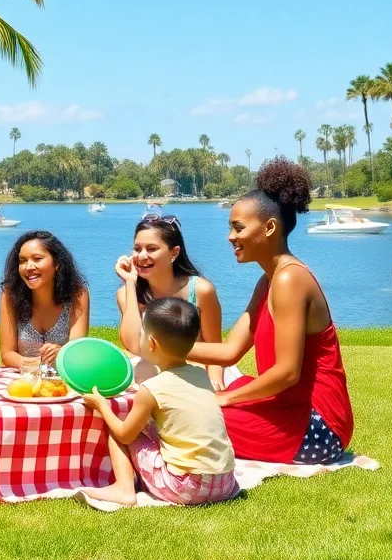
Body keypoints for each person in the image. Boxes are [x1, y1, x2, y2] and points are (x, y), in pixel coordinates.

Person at [185, 159, 354, 464]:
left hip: (318, 426)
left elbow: (287, 373)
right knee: (202, 400)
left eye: (238, 228)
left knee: (185, 415)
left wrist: (225, 398)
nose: (231, 237)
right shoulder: (268, 281)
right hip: (287, 407)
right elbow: (230, 351)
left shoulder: (290, 279)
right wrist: (164, 347)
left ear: (270, 227)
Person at [80, 298, 238, 507]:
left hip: (186, 488)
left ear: (151, 343)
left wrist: (102, 405)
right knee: (151, 426)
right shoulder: (201, 375)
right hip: (224, 483)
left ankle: (124, 489)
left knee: (119, 427)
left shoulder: (152, 388)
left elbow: (125, 435)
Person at [114, 214, 225, 389]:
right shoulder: (127, 294)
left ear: (174, 253)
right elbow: (134, 346)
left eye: (152, 249)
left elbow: (215, 348)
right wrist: (129, 282)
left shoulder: (201, 290)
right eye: (137, 249)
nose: (142, 256)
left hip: (194, 371)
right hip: (150, 374)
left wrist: (215, 382)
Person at [0, 230, 90, 369]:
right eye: (22, 261)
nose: (29, 267)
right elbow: (7, 353)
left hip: (62, 377)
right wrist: (34, 365)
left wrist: (61, 353)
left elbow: (76, 350)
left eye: (37, 259)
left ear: (57, 263)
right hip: (23, 377)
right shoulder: (10, 295)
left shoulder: (77, 295)